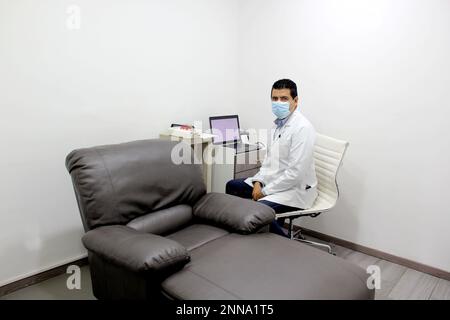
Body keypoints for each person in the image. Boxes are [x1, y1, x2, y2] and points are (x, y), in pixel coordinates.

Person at [226, 79, 318, 237]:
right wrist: (258, 182)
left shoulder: (303, 128)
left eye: (284, 99)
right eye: (274, 99)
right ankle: (240, 237)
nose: (278, 102)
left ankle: (282, 248)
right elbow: (268, 164)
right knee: (232, 186)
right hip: (274, 182)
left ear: (295, 101)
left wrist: (265, 191)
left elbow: (295, 175)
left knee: (261, 209)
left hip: (296, 190)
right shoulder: (278, 126)